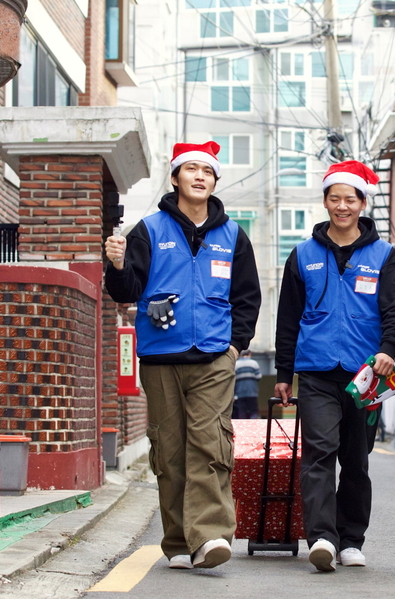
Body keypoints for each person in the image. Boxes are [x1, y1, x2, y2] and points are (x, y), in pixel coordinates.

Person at [104, 140, 261, 570]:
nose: (199, 177)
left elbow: (248, 296)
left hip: (213, 357)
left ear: (214, 182)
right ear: (175, 178)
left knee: (209, 445)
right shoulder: (149, 230)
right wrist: (117, 266)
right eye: (190, 169)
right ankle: (178, 542)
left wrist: (235, 345)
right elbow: (127, 292)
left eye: (207, 171)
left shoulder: (233, 236)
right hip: (160, 358)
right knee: (169, 452)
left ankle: (210, 536)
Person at [274, 160, 395, 572]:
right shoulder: (302, 255)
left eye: (350, 199)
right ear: (325, 202)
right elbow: (288, 318)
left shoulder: (384, 255)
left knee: (356, 458)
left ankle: (351, 539)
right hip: (316, 371)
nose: (342, 206)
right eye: (335, 198)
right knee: (318, 453)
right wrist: (284, 374)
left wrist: (390, 349)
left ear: (362, 202)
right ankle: (322, 539)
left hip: (367, 375)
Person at [233, 349, 262, 419]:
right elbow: (259, 377)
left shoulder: (236, 364)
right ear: (249, 354)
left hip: (240, 392)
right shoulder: (254, 363)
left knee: (241, 411)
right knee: (253, 410)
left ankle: (241, 428)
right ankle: (253, 426)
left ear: (240, 354)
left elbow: (233, 379)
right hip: (252, 391)